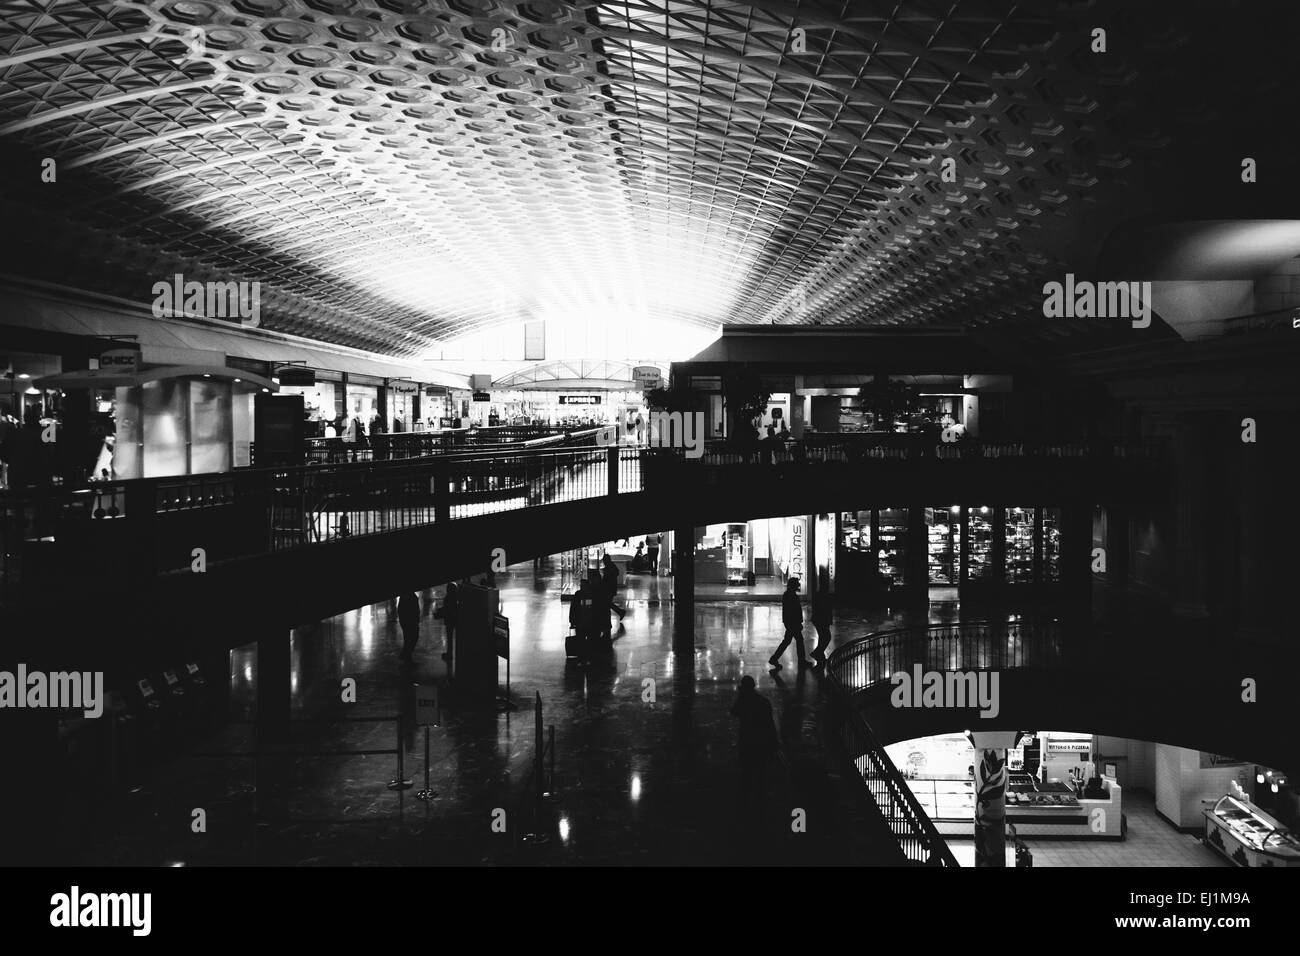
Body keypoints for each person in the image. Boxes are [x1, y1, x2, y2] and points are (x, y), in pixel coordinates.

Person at [731, 676, 778, 801]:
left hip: (747, 739)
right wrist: (774, 742)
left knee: (747, 771)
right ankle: (760, 797)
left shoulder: (744, 701)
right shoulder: (764, 702)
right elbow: (770, 724)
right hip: (761, 740)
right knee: (760, 771)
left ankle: (745, 798)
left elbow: (734, 712)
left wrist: (740, 696)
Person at [769, 577, 808, 670]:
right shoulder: (792, 596)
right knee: (798, 641)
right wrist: (798, 622)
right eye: (797, 583)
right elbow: (794, 611)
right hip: (793, 623)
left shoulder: (788, 595)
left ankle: (774, 658)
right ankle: (802, 661)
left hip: (790, 623)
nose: (799, 585)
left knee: (787, 641)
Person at [434, 581, 459, 664]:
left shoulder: (447, 598)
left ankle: (449, 654)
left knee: (449, 638)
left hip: (449, 621)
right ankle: (458, 654)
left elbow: (447, 610)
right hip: (456, 620)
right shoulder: (457, 597)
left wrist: (439, 612)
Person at [810, 584, 833, 666]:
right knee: (826, 637)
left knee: (823, 637)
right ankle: (817, 652)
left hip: (818, 620)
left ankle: (820, 655)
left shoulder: (818, 595)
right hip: (822, 620)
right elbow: (826, 610)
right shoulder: (825, 597)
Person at [397, 591, 421, 663]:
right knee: (411, 638)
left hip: (407, 621)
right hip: (410, 621)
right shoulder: (410, 597)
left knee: (408, 639)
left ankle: (406, 656)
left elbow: (400, 610)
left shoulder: (406, 597)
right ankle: (406, 656)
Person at [601, 554, 626, 622]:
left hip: (608, 589)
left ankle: (620, 612)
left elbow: (606, 580)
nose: (603, 561)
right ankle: (620, 612)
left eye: (604, 560)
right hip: (611, 589)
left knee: (607, 603)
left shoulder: (609, 568)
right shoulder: (612, 566)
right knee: (608, 603)